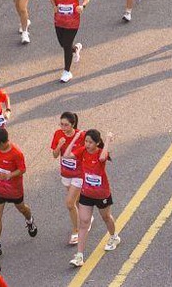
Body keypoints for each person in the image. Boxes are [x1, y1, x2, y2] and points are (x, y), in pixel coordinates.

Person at [70, 130, 122, 265]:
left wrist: (108, 140)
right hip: (86, 193)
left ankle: (114, 237)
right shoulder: (82, 151)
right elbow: (66, 155)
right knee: (84, 223)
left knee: (106, 217)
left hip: (102, 194)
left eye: (90, 142)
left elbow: (102, 158)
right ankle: (79, 256)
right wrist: (76, 137)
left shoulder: (100, 153)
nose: (87, 144)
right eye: (86, 141)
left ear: (97, 143)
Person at [0, 126, 38, 246]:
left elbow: (22, 169)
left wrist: (9, 176)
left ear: (4, 142)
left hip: (14, 190)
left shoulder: (16, 153)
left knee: (22, 209)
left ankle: (30, 220)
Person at [49, 113, 86, 245]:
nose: (63, 127)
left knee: (70, 203)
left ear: (73, 124)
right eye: (61, 124)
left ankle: (76, 231)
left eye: (66, 125)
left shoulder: (81, 136)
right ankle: (87, 217)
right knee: (77, 201)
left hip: (79, 174)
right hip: (66, 174)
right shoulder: (58, 134)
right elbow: (54, 155)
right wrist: (59, 145)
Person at [49, 0, 89, 82]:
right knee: (63, 44)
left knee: (66, 45)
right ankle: (75, 49)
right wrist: (54, 6)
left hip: (73, 21)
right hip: (59, 21)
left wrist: (83, 6)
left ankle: (67, 72)